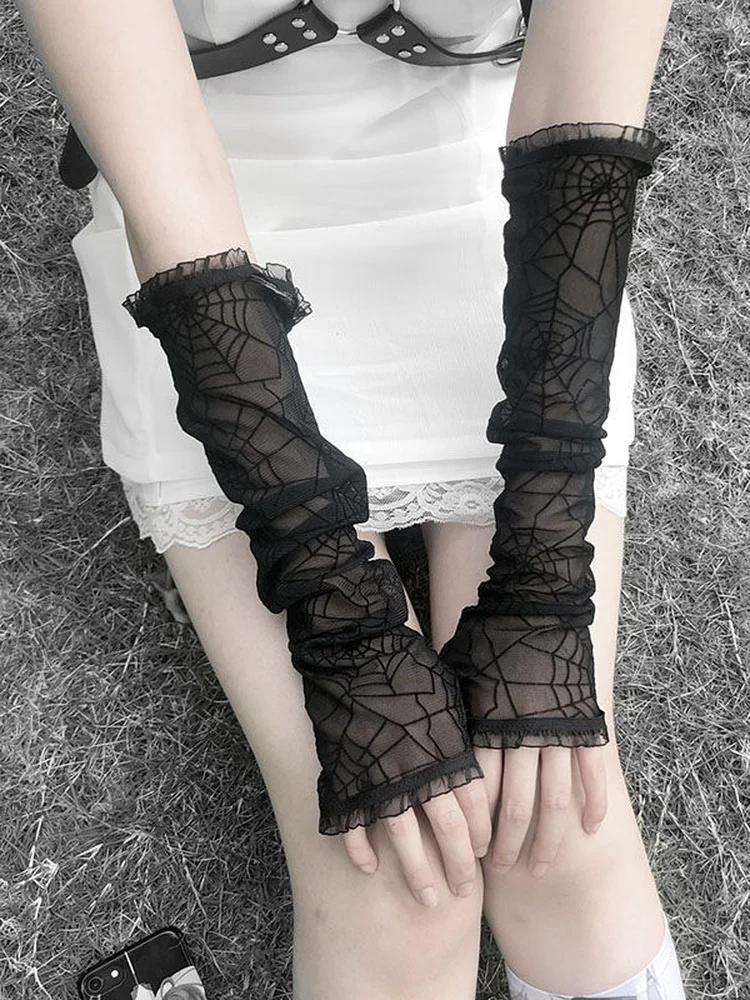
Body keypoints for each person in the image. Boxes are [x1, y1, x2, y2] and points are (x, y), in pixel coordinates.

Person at [15, 1, 688, 997]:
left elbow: (582, 111)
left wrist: (545, 582)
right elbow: (171, 178)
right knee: (399, 888)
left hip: (493, 193)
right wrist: (340, 615)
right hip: (209, 231)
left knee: (559, 839)